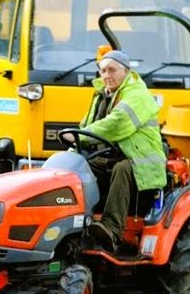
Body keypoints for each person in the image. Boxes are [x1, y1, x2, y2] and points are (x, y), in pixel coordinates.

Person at [66, 50, 167, 252]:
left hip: (141, 160)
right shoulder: (101, 96)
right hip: (111, 155)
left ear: (126, 71)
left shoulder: (137, 94)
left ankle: (111, 230)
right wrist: (71, 153)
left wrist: (82, 135)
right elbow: (85, 126)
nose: (106, 75)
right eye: (103, 71)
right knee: (75, 170)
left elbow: (117, 124)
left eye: (112, 70)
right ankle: (73, 224)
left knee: (122, 169)